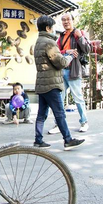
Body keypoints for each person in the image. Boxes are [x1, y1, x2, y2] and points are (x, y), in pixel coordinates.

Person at [33, 15, 85, 150]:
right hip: (51, 83)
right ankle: (68, 140)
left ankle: (38, 140)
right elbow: (60, 62)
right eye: (52, 27)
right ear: (48, 28)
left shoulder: (38, 42)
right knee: (60, 113)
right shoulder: (49, 43)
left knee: (41, 114)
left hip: (41, 83)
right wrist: (69, 57)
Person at [49, 13, 90, 134]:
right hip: (62, 70)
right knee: (59, 99)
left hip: (74, 70)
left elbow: (88, 49)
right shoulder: (61, 36)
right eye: (63, 20)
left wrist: (80, 38)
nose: (66, 22)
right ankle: (58, 124)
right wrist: (66, 51)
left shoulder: (78, 33)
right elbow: (56, 51)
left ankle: (84, 122)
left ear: (73, 20)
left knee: (78, 98)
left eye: (68, 19)